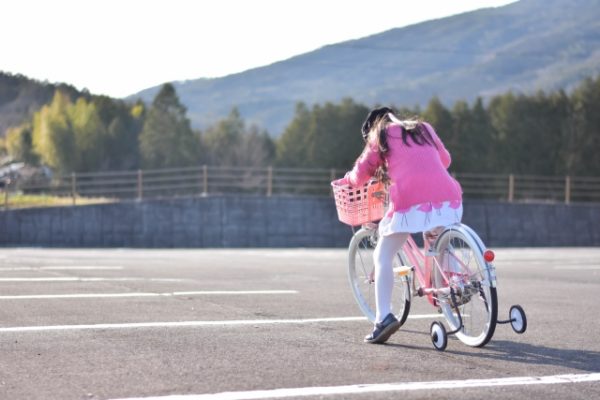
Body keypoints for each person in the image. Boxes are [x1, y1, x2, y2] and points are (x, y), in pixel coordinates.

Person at [342, 106, 463, 344]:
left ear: (373, 128)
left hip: (410, 203)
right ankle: (457, 282)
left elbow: (361, 173)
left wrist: (348, 179)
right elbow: (445, 160)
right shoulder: (424, 128)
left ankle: (383, 318)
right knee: (438, 236)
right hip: (449, 197)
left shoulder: (381, 134)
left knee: (383, 254)